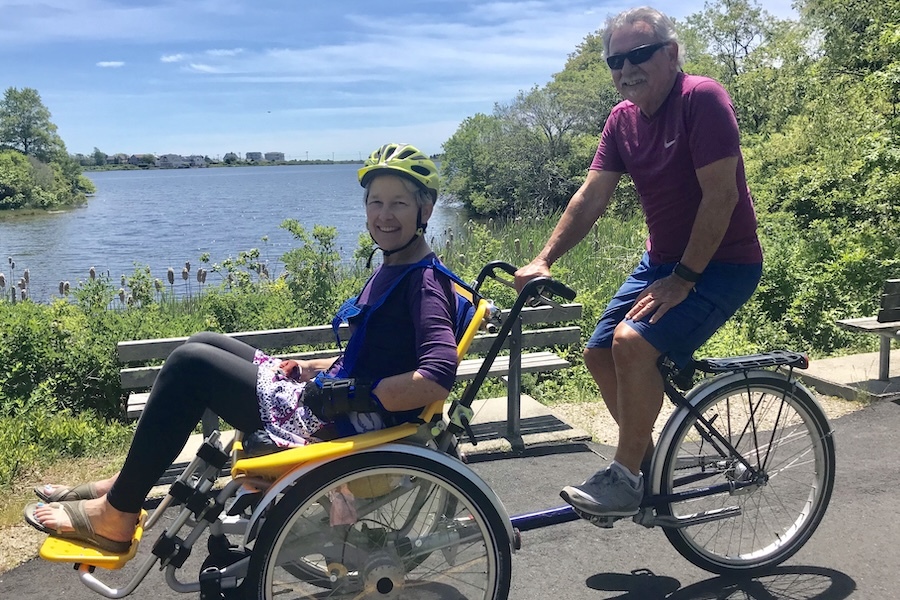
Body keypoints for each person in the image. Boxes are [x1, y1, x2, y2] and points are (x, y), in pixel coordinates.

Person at [25, 143, 463, 553]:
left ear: (425, 209)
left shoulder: (422, 281)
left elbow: (436, 377)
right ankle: (126, 483)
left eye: (399, 204)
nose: (384, 215)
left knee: (189, 365)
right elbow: (380, 354)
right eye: (376, 202)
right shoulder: (399, 264)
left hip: (352, 426)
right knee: (203, 343)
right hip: (336, 403)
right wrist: (314, 368)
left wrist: (346, 394)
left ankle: (116, 515)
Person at [515, 6, 763, 518]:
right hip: (663, 263)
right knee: (600, 350)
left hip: (724, 264)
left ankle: (624, 478)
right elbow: (590, 197)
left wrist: (685, 279)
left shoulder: (702, 99)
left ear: (671, 55)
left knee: (633, 343)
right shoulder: (622, 121)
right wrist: (543, 259)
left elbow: (721, 199)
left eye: (640, 54)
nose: (626, 68)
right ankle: (648, 473)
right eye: (615, 60)